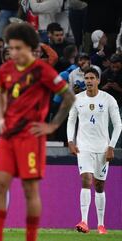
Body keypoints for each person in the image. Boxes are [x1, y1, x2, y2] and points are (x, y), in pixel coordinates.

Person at [0, 23, 75, 241]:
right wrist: (1, 118)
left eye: (19, 48)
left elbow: (69, 98)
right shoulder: (5, 70)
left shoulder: (43, 71)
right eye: (11, 48)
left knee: (29, 190)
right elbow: (0, 94)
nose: (14, 53)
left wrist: (53, 126)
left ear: (30, 47)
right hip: (8, 137)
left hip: (31, 137)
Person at [67, 68, 122, 234]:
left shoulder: (108, 99)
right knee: (86, 179)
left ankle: (101, 224)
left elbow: (118, 125)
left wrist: (111, 146)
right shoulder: (77, 99)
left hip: (102, 148)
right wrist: (71, 141)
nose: (89, 81)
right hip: (84, 147)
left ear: (98, 80)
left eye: (92, 78)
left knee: (99, 185)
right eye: (86, 78)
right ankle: (83, 221)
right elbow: (71, 121)